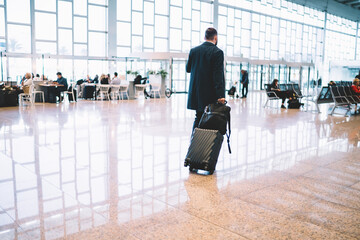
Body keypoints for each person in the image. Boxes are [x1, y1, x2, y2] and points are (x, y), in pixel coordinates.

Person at [186, 27, 225, 131]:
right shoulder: (218, 52)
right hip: (210, 93)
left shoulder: (193, 51)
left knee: (198, 116)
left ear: (204, 37)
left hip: (196, 92)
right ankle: (207, 143)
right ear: (215, 38)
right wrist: (220, 95)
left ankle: (194, 143)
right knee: (211, 117)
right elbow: (218, 75)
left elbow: (188, 69)